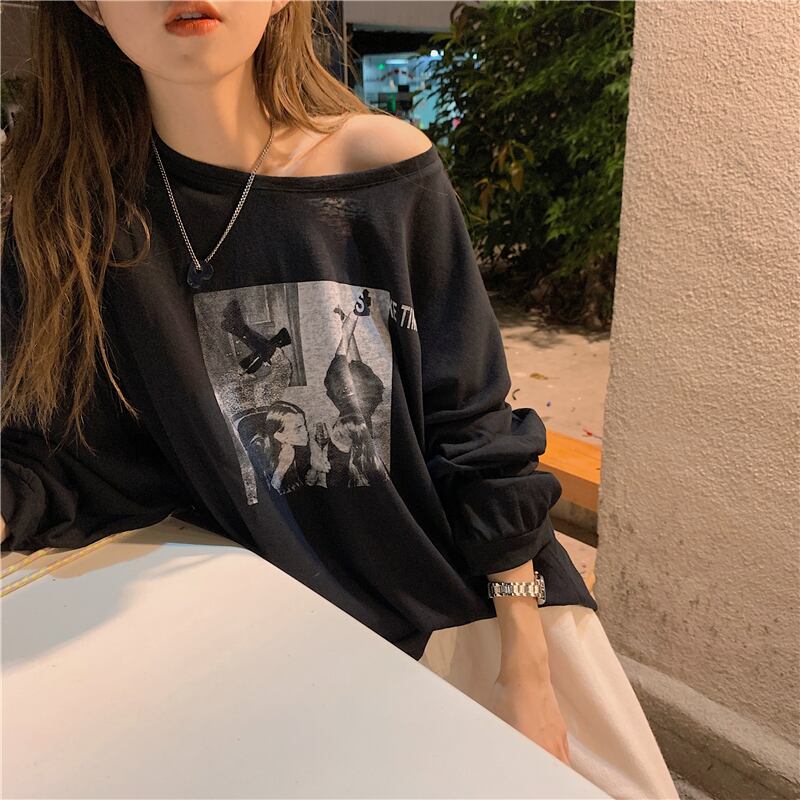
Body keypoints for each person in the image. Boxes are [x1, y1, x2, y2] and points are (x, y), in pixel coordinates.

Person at [0, 3, 679, 798]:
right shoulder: (64, 220)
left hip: (468, 610)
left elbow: (474, 428)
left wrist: (525, 674)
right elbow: (65, 450)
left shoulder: (380, 171)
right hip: (278, 646)